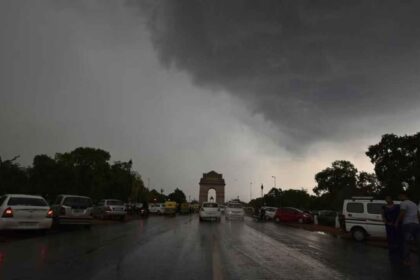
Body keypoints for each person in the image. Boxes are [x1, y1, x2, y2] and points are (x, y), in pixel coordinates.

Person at [395, 191, 420, 266]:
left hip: (408, 225)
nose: (399, 198)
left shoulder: (404, 203)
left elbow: (402, 213)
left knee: (406, 243)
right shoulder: (414, 204)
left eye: (400, 196)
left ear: (404, 196)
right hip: (416, 225)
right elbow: (418, 215)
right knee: (418, 242)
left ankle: (406, 261)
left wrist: (397, 222)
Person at [382, 196, 402, 262]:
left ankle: (398, 251)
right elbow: (383, 216)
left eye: (388, 198)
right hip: (388, 225)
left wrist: (396, 222)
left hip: (396, 224)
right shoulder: (384, 207)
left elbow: (399, 215)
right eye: (386, 199)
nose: (387, 200)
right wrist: (386, 222)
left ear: (391, 199)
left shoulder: (397, 207)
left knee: (397, 237)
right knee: (390, 237)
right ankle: (391, 251)